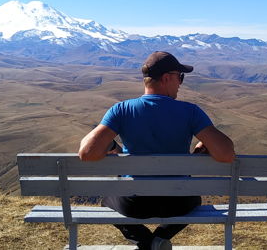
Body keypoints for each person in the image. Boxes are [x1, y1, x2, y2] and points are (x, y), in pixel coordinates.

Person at [79, 51, 235, 250]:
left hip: (134, 204)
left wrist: (108, 145)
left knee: (107, 201)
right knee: (195, 198)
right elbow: (227, 154)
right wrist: (203, 148)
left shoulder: (121, 110)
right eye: (180, 77)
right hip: (178, 201)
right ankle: (159, 239)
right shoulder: (191, 112)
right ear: (166, 78)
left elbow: (86, 153)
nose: (180, 83)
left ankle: (144, 242)